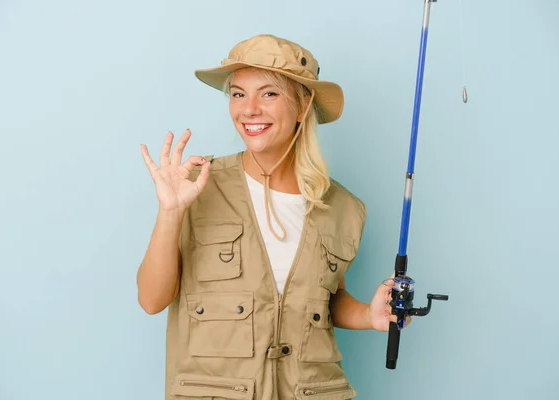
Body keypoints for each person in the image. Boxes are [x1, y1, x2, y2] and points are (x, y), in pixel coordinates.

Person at [136, 34, 409, 399]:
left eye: (269, 93)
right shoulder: (196, 187)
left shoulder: (345, 209)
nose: (249, 109)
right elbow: (152, 300)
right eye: (237, 93)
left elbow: (323, 301)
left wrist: (369, 316)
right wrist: (170, 212)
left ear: (301, 106)